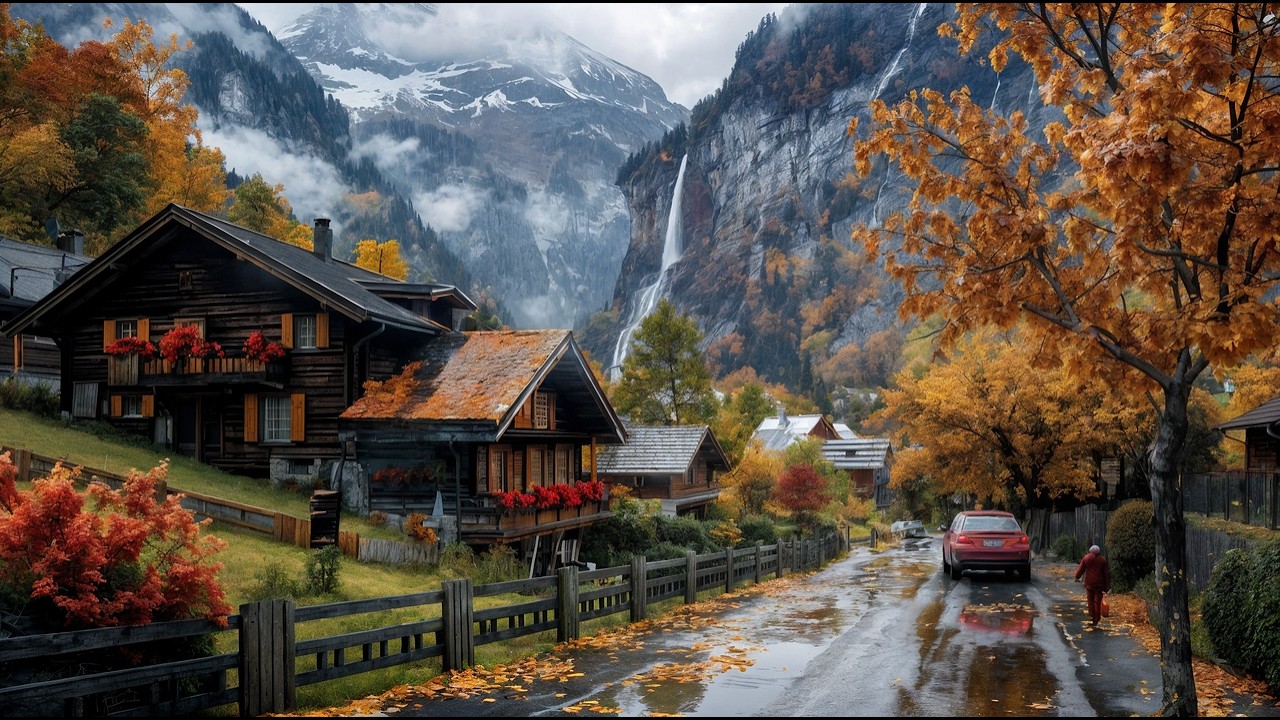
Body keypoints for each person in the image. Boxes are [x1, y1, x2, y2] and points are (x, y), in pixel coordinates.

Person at [1074, 544, 1112, 626]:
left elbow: (1081, 569)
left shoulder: (1086, 558)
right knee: (1097, 601)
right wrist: (1107, 587)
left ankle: (1091, 614)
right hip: (1099, 584)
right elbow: (1106, 574)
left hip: (1089, 583)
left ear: (1090, 551)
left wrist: (1077, 576)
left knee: (1090, 600)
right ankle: (1096, 618)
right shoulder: (1103, 560)